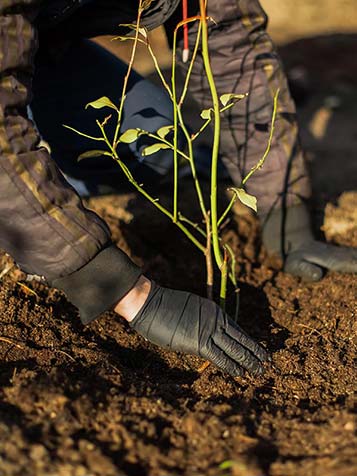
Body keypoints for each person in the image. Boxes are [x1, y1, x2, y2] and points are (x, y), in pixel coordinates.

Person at [0, 0, 356, 378]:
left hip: (36, 46)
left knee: (158, 147)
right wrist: (127, 292)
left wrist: (285, 210)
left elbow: (231, 38)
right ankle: (36, 213)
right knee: (22, 185)